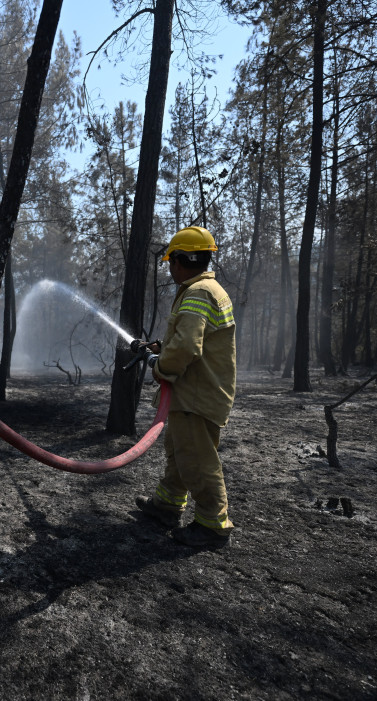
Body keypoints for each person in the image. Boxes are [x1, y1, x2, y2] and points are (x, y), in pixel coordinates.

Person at [135, 225, 237, 549]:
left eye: (171, 260)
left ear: (181, 260)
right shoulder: (206, 290)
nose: (169, 266)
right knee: (179, 453)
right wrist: (160, 347)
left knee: (197, 460)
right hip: (195, 392)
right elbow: (190, 339)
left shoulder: (198, 293)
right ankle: (167, 506)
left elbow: (188, 348)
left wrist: (160, 366)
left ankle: (213, 525)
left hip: (198, 394)